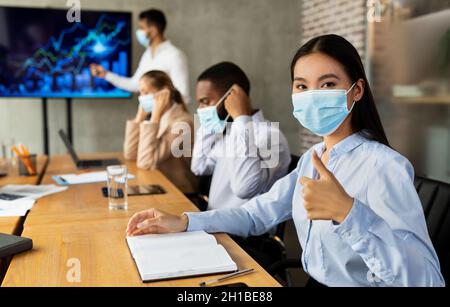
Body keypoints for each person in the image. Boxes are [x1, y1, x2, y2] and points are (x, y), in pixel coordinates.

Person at [126, 35, 445, 287]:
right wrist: (185, 222)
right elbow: (256, 214)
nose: (312, 95)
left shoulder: (384, 166)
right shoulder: (313, 159)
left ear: (356, 90)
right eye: (302, 86)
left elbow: (428, 280)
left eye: (328, 84)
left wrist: (348, 213)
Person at [191, 62, 290, 210]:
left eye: (205, 102)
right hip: (215, 223)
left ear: (230, 97)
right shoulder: (232, 134)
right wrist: (209, 125)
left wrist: (241, 118)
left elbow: (244, 188)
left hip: (244, 232)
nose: (200, 109)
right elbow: (199, 166)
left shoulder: (270, 137)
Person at [90, 9, 190, 102]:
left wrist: (159, 104)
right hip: (150, 116)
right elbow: (135, 85)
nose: (139, 32)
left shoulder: (175, 56)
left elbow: (183, 95)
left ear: (153, 30)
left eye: (142, 28)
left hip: (168, 118)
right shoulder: (147, 55)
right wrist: (106, 74)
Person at [123, 70, 197, 194]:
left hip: (180, 192)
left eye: (146, 92)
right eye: (140, 92)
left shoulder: (182, 123)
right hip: (159, 186)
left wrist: (155, 117)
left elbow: (146, 162)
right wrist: (139, 118)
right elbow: (130, 154)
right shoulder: (160, 119)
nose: (142, 97)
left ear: (164, 93)